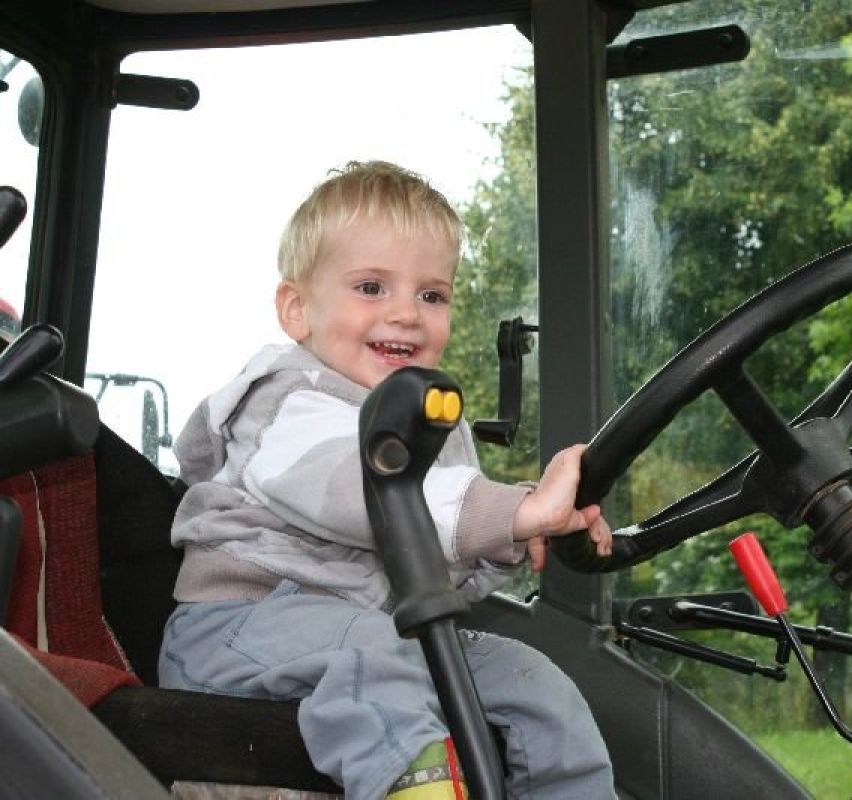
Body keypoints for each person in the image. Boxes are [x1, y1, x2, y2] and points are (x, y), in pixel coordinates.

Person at [158, 161, 616, 800]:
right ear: (296, 309)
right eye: (371, 287)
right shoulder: (285, 403)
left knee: (534, 683)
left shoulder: (430, 427)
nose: (406, 314)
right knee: (376, 657)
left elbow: (437, 564)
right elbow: (356, 488)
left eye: (432, 295)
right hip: (243, 630)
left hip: (380, 640)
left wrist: (518, 535)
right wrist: (509, 511)